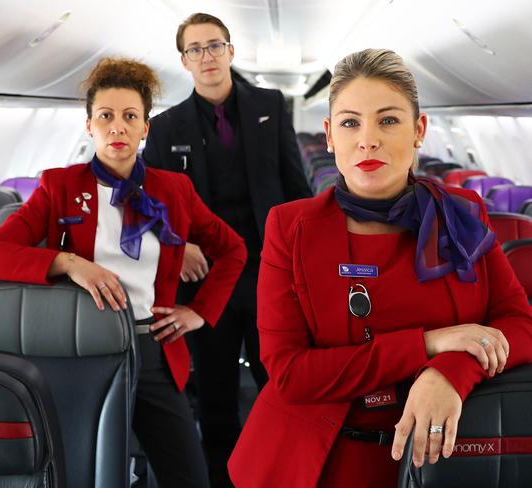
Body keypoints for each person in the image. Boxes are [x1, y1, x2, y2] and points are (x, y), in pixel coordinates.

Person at [228, 48, 532, 487]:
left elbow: (518, 323)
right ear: (330, 136)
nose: (367, 139)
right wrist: (428, 345)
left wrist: (449, 370)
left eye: (388, 120)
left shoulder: (463, 212)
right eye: (351, 122)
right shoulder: (291, 227)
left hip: (447, 454)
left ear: (419, 130)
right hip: (323, 459)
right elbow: (291, 373)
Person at [0, 57, 247, 488]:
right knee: (78, 472)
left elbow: (233, 250)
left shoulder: (174, 191)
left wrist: (199, 312)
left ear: (145, 128)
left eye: (129, 117)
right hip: (78, 351)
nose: (117, 127)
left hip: (152, 349)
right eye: (105, 116)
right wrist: (69, 263)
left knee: (190, 475)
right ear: (89, 126)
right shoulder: (58, 187)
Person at [142, 13, 312, 486]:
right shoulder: (165, 126)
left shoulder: (270, 105)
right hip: (207, 279)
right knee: (215, 396)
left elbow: (295, 189)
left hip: (268, 271)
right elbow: (150, 208)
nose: (207, 56)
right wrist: (183, 242)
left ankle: (283, 474)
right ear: (184, 61)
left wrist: (304, 263)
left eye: (214, 46)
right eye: (195, 49)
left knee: (279, 386)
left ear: (231, 51)